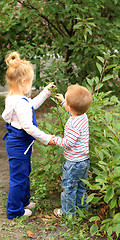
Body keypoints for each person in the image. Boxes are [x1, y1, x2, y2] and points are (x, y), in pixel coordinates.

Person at [2, 51, 55, 219]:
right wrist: (47, 139)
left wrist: (46, 93)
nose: (31, 86)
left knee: (24, 172)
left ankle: (24, 201)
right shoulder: (20, 102)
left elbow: (30, 106)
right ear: (23, 82)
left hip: (18, 144)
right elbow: (29, 127)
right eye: (31, 83)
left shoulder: (13, 98)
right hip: (19, 145)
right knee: (19, 177)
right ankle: (14, 211)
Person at [53, 85, 92, 217]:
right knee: (81, 186)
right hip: (84, 161)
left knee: (69, 188)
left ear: (70, 107)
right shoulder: (83, 116)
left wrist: (55, 140)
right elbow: (72, 111)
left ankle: (68, 213)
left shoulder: (72, 124)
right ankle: (82, 208)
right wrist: (64, 101)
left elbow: (68, 143)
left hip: (73, 163)